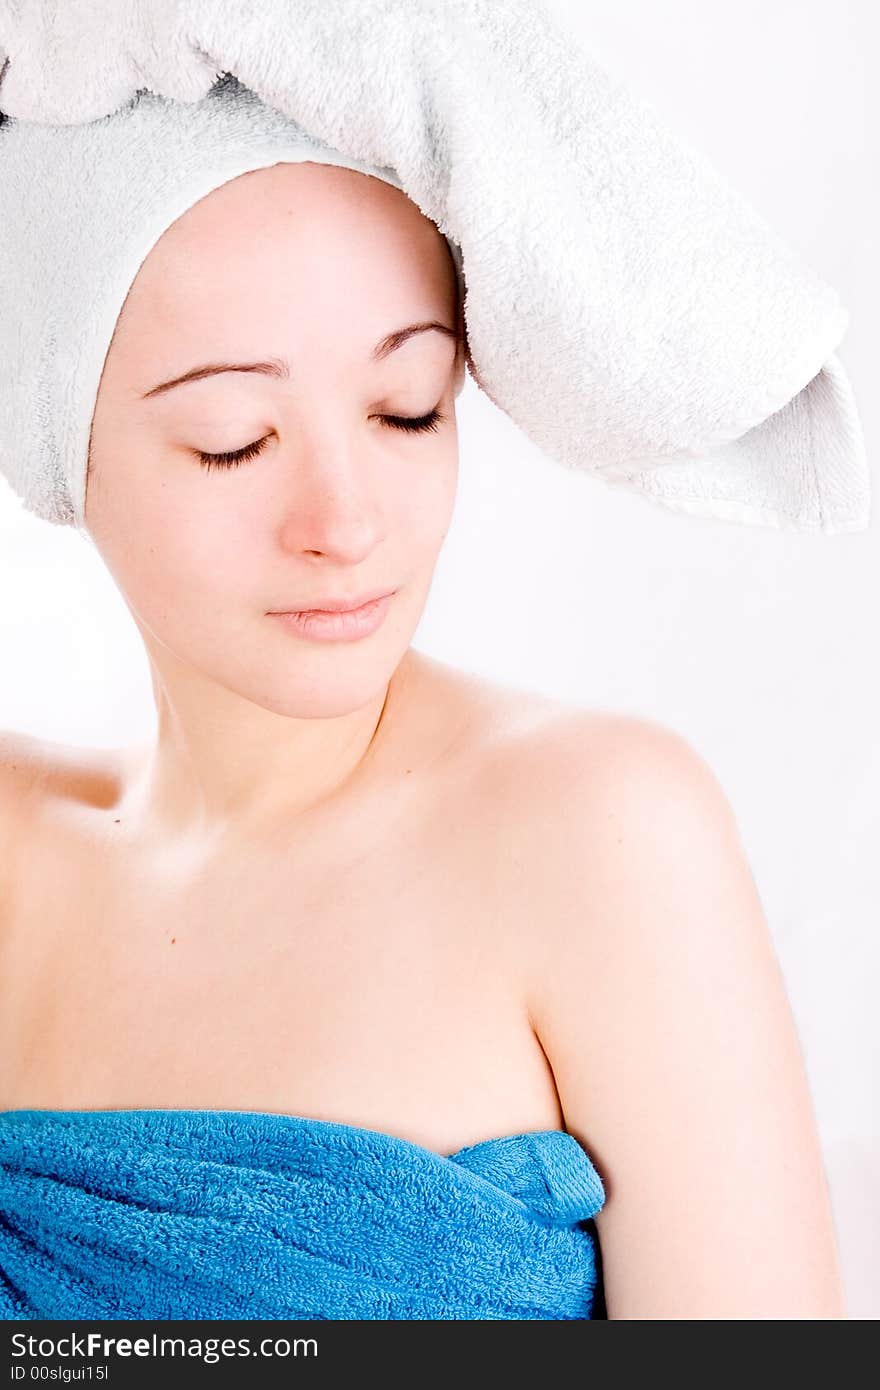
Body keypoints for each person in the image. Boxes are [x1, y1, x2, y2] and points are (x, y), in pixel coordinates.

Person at [0, 158, 846, 1319]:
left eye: (408, 408)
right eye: (233, 438)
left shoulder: (598, 830)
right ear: (59, 445)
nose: (345, 524)